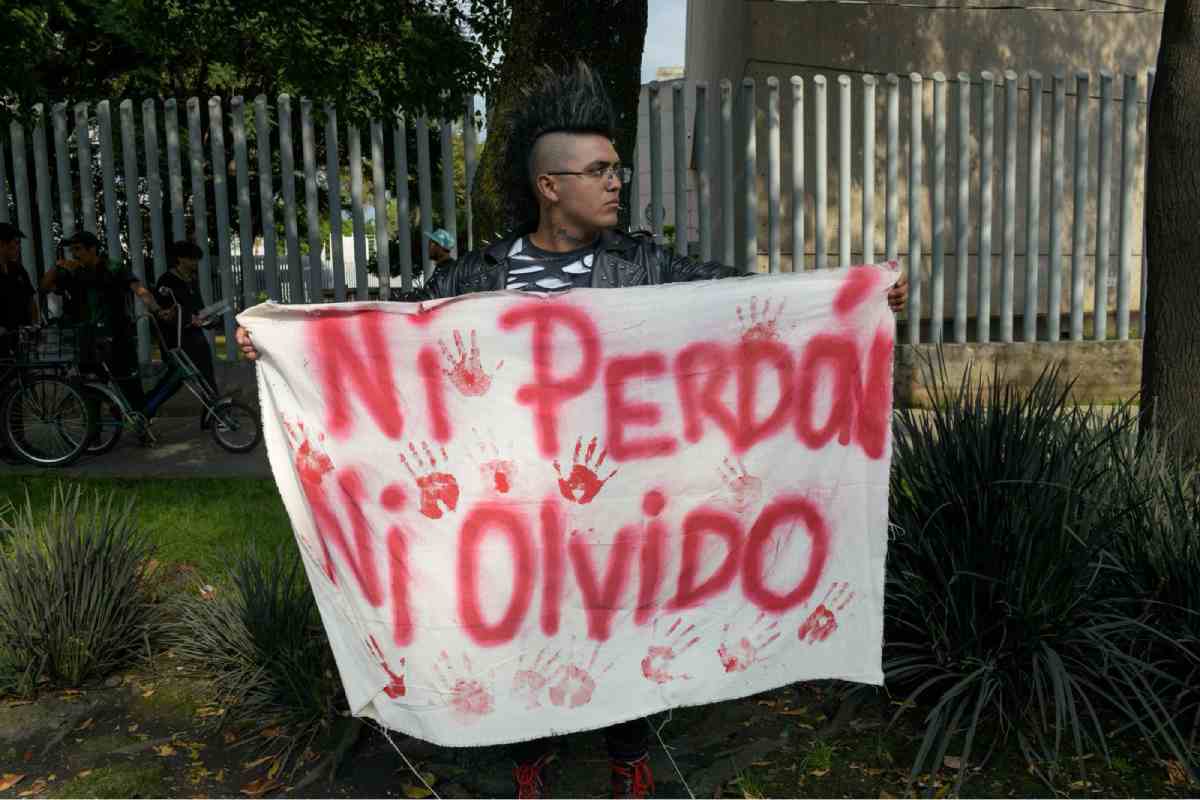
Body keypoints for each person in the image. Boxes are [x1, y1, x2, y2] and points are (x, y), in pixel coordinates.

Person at [237, 62, 907, 798]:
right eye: (597, 171)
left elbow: (739, 300)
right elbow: (388, 333)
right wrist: (285, 341)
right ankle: (530, 758)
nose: (615, 182)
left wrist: (852, 296)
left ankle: (629, 757)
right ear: (550, 187)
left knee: (621, 614)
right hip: (515, 507)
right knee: (525, 623)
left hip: (617, 502)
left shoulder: (644, 266)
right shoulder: (475, 277)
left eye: (616, 168)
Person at [41, 230, 163, 417]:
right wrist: (57, 267)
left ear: (93, 249)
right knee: (90, 387)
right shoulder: (72, 272)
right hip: (86, 339)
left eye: (79, 249)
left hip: (118, 336)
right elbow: (44, 287)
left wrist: (156, 309)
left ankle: (140, 422)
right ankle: (93, 433)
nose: (75, 254)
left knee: (129, 383)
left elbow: (137, 288)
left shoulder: (112, 267)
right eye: (72, 250)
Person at [142, 241, 221, 421]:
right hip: (175, 339)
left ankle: (213, 415)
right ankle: (146, 409)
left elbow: (198, 308)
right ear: (180, 259)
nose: (195, 263)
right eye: (191, 259)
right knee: (175, 380)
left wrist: (209, 319)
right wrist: (187, 319)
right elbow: (165, 313)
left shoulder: (191, 280)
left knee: (206, 371)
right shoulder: (166, 281)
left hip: (193, 335)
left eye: (196, 259)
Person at [0, 223, 38, 357]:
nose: (19, 247)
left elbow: (30, 299)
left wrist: (34, 324)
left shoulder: (18, 270)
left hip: (20, 338)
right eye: (16, 243)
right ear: (2, 243)